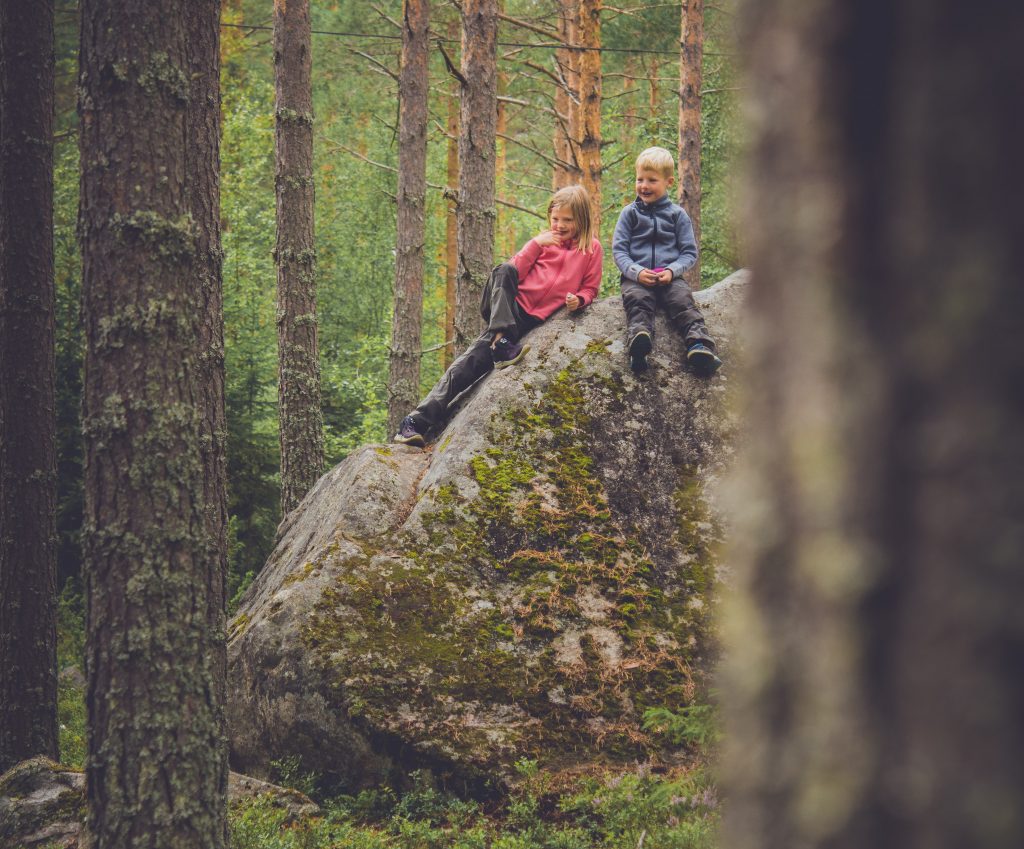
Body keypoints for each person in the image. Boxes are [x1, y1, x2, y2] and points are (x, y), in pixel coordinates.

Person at [394, 184, 603, 447]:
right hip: (507, 306)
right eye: (555, 218)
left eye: (567, 220)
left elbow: (591, 287)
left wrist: (579, 300)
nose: (559, 225)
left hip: (530, 320)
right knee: (504, 269)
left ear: (581, 219)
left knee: (468, 367)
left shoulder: (591, 249)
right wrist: (536, 243)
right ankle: (413, 421)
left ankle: (418, 422)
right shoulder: (542, 242)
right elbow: (513, 272)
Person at [612, 146, 722, 376]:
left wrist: (672, 271)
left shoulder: (677, 215)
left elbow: (689, 253)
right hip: (637, 277)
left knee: (682, 300)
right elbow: (619, 251)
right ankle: (639, 345)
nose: (644, 185)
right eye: (640, 179)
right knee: (637, 300)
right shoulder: (629, 214)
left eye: (652, 180)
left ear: (668, 182)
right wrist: (636, 271)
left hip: (669, 277)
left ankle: (699, 345)